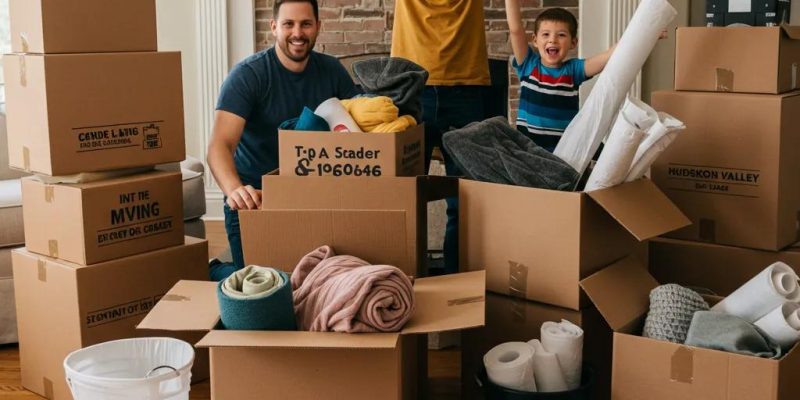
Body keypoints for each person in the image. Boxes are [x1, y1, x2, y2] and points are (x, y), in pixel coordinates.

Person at [207, 0, 359, 281]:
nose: (297, 33)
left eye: (306, 24)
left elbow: (359, 133)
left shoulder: (332, 71)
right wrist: (234, 190)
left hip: (312, 197)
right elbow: (219, 145)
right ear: (274, 27)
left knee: (316, 282)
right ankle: (213, 269)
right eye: (289, 24)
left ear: (318, 27)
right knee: (266, 286)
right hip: (256, 201)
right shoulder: (249, 75)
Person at [391, 0, 491, 275]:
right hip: (412, 87)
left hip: (465, 88)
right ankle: (401, 282)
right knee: (404, 200)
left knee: (466, 201)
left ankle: (458, 287)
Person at [506, 5, 666, 152]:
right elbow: (515, 29)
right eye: (546, 34)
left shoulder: (573, 70)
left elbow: (610, 55)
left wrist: (646, 34)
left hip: (563, 152)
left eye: (561, 35)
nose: (552, 39)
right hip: (528, 150)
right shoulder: (528, 65)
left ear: (573, 43)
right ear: (535, 40)